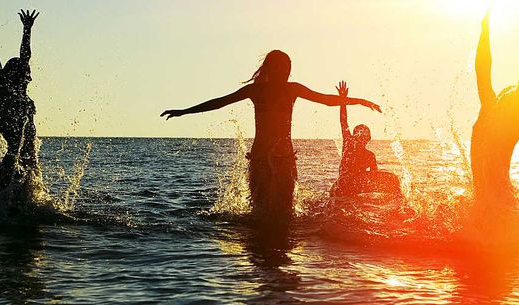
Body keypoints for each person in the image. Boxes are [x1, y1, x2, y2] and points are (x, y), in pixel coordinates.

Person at [161, 50, 381, 223]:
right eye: (280, 67)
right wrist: (184, 111)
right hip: (260, 158)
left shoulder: (291, 89)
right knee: (260, 211)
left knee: (284, 213)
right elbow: (220, 102)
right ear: (270, 68)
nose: (283, 72)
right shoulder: (256, 90)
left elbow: (325, 99)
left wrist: (360, 101)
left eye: (286, 68)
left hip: (284, 158)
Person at [471, 10, 519, 211]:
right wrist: (484, 32)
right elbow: (482, 67)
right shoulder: (491, 107)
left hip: (496, 196)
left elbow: (482, 67)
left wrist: (484, 31)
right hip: (498, 196)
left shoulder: (491, 108)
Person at [330, 81, 401, 198]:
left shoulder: (369, 156)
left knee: (394, 179)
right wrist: (343, 100)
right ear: (354, 136)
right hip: (342, 185)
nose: (361, 138)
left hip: (355, 185)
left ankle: (397, 201)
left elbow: (374, 176)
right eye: (359, 135)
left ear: (368, 139)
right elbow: (343, 120)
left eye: (363, 135)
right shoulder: (349, 143)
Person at [0, 10, 40, 191]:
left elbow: (25, 56)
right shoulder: (4, 87)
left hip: (24, 151)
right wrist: (26, 30)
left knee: (30, 178)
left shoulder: (18, 88)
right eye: (24, 73)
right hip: (14, 152)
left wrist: (27, 30)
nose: (28, 77)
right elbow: (24, 57)